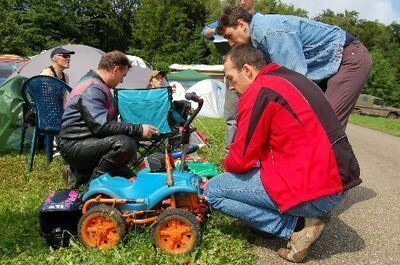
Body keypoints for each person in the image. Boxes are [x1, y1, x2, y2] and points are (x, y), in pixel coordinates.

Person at [204, 44, 361, 263]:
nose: (231, 86)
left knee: (214, 191)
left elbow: (240, 160)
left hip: (320, 190)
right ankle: (286, 217)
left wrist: (225, 164)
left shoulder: (258, 90)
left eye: (231, 77)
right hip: (339, 180)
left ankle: (296, 227)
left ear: (247, 70)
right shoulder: (292, 78)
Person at [216, 6, 372, 128]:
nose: (230, 43)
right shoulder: (258, 39)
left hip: (349, 58)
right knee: (312, 124)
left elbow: (295, 81)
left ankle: (337, 168)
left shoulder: (269, 31)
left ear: (241, 24)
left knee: (326, 125)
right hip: (330, 65)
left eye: (230, 36)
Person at [58, 51, 158, 187]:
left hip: (85, 141)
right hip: (74, 145)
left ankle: (81, 174)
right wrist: (139, 130)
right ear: (116, 69)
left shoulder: (95, 84)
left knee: (130, 180)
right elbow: (100, 126)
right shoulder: (93, 88)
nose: (122, 81)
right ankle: (93, 186)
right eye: (123, 76)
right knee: (125, 145)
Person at [202, 1, 257, 150]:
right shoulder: (226, 21)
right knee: (233, 115)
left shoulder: (256, 20)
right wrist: (220, 31)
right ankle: (230, 150)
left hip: (252, 71)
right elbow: (205, 32)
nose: (242, 1)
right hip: (234, 71)